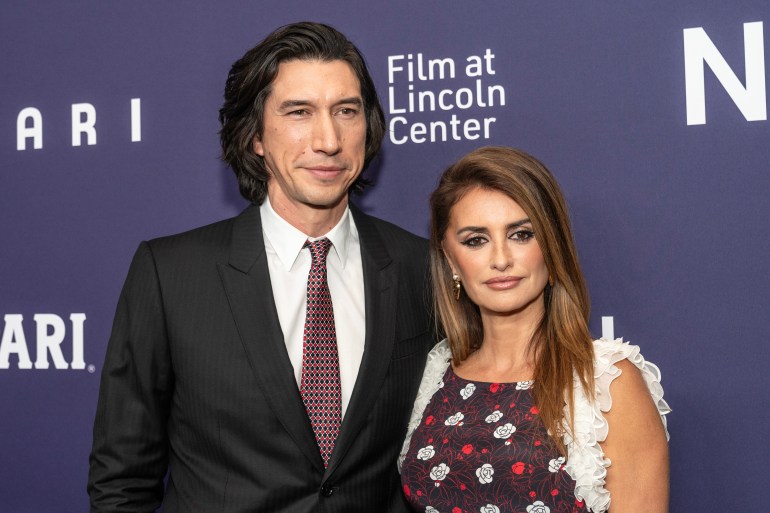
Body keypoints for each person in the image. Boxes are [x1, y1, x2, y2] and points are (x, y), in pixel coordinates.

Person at [88, 22, 433, 513]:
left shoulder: (422, 267)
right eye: (299, 112)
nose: (328, 140)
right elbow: (122, 479)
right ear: (254, 136)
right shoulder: (169, 274)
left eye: (346, 111)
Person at [398, 147, 670, 513]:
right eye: (476, 240)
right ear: (450, 259)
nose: (501, 259)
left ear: (552, 245)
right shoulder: (436, 371)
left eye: (521, 234)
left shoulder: (606, 381)